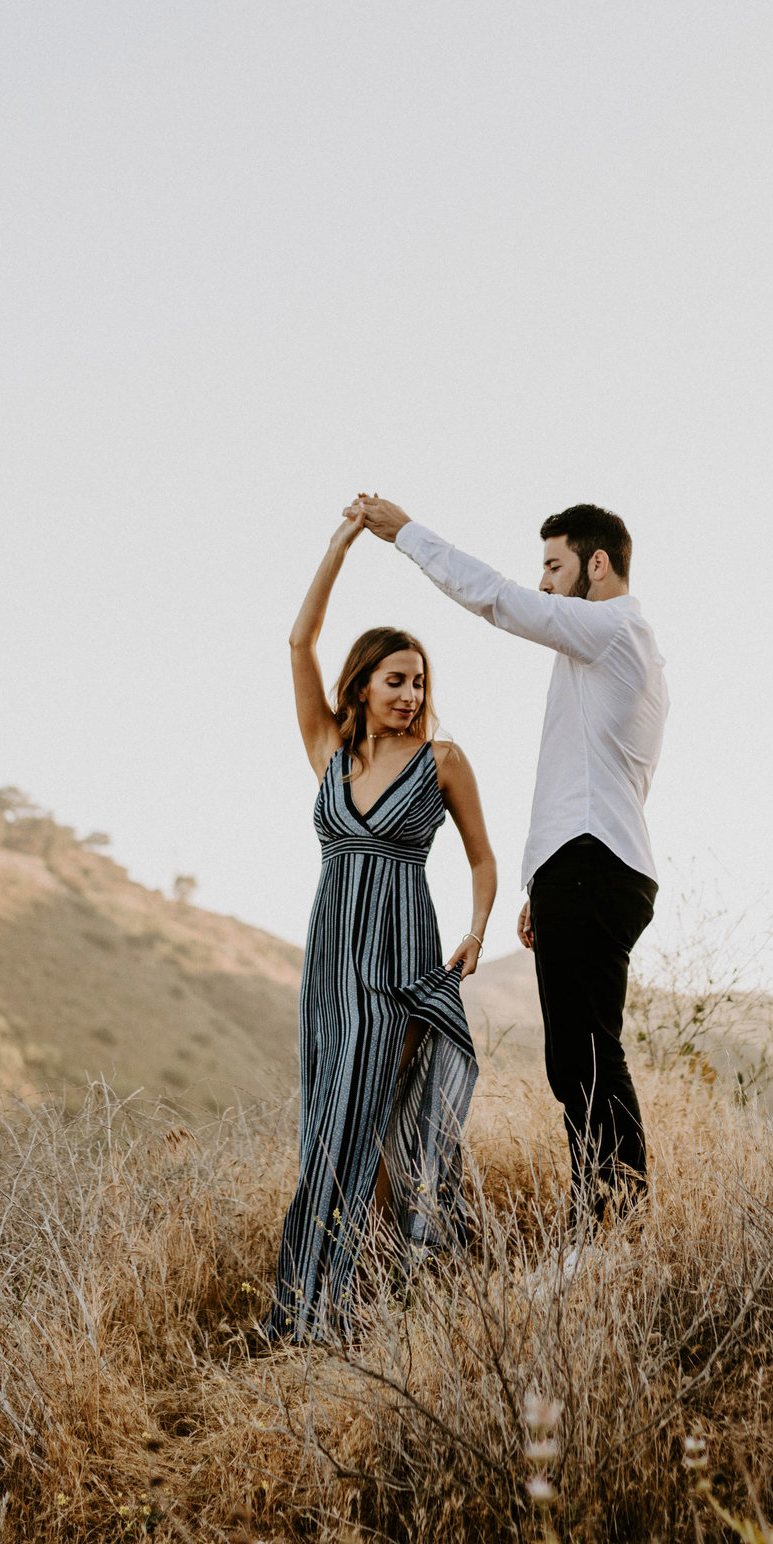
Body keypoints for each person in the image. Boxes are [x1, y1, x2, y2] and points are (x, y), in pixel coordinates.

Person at [352, 496, 666, 1227]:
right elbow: (586, 773)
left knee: (584, 1055)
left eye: (555, 566)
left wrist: (406, 534)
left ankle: (612, 1222)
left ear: (597, 562)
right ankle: (606, 1215)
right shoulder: (623, 650)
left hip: (591, 865)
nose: (547, 585)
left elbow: (497, 600)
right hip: (591, 864)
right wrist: (543, 878)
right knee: (581, 1053)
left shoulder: (611, 627)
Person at [263, 509, 498, 1342]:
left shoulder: (443, 762)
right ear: (361, 683)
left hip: (401, 961)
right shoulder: (328, 749)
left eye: (420, 682)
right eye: (395, 679)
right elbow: (299, 642)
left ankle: (358, 1299)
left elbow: (479, 857)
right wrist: (338, 546)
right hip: (330, 964)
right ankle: (348, 1300)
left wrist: (477, 927)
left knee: (379, 1115)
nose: (410, 695)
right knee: (342, 1117)